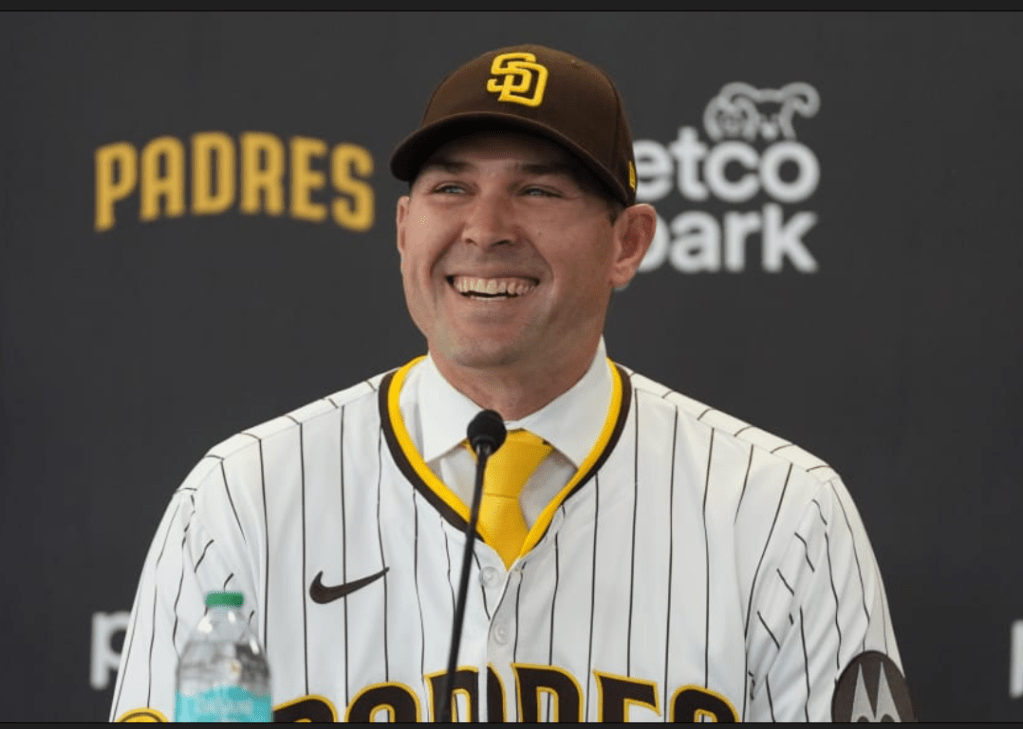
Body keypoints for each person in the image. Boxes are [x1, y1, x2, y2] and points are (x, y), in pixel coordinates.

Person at [110, 43, 914, 722]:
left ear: (627, 243)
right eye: (450, 188)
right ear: (403, 229)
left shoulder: (780, 509)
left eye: (536, 190)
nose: (486, 228)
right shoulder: (243, 495)